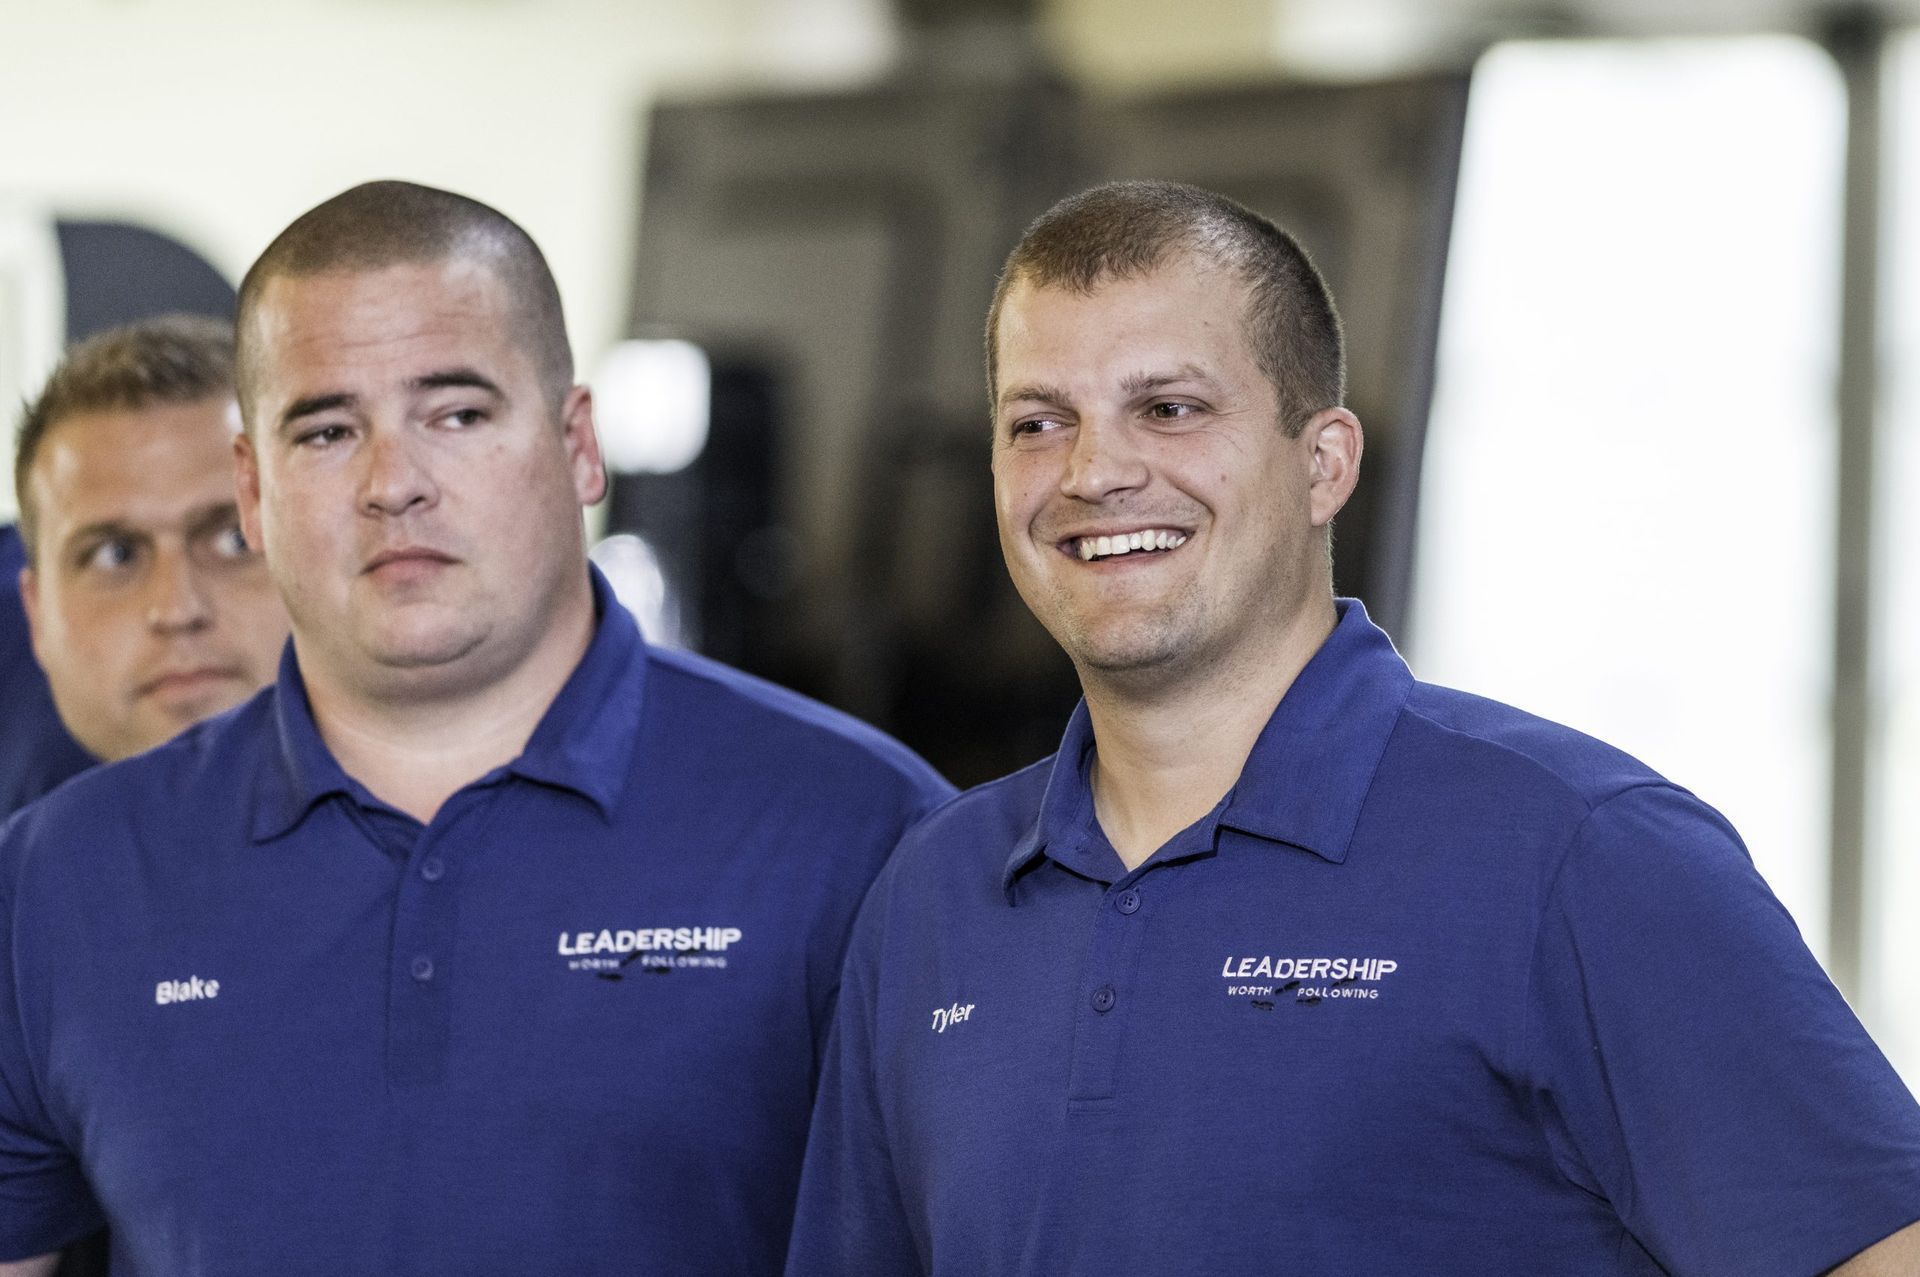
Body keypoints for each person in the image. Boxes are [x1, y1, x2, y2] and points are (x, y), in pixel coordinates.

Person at [785, 180, 1920, 1276]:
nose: (1096, 470)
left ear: (1324, 462)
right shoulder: (933, 894)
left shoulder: (1581, 853)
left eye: (1168, 409)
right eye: (1039, 421)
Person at [0, 181, 952, 1275]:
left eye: (456, 412)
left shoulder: (863, 833)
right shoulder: (55, 879)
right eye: (326, 430)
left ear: (578, 443)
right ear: (255, 493)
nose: (394, 483)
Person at [5, 316, 288, 805]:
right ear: (37, 618)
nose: (178, 609)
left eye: (234, 542)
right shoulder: (23, 874)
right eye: (116, 555)